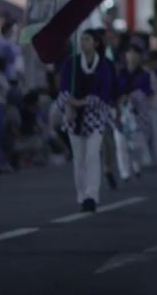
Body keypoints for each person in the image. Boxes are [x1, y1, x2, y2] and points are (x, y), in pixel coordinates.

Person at [57, 30, 116, 212]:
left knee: (92, 155)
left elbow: (106, 91)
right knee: (79, 158)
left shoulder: (105, 65)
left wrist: (83, 101)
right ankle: (81, 195)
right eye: (81, 39)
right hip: (74, 115)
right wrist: (70, 105)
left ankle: (92, 195)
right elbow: (63, 87)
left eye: (87, 39)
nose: (83, 43)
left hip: (95, 115)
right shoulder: (71, 63)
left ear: (96, 43)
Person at [114, 46, 153, 181]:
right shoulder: (119, 73)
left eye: (136, 53)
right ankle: (124, 171)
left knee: (136, 144)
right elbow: (113, 91)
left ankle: (136, 165)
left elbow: (148, 93)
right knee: (120, 141)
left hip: (137, 113)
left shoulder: (144, 74)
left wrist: (135, 98)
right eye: (130, 53)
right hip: (120, 110)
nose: (132, 56)